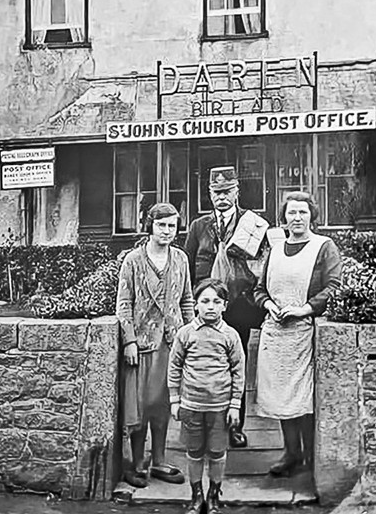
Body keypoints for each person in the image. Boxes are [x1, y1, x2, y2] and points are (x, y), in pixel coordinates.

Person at [254, 191, 342, 477]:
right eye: (291, 212)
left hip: (305, 331)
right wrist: (270, 305)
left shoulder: (323, 247)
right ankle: (291, 453)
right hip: (276, 333)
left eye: (302, 212)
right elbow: (259, 289)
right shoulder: (276, 249)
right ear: (284, 216)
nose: (297, 218)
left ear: (311, 215)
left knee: (304, 398)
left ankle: (312, 456)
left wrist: (304, 309)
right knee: (281, 396)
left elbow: (334, 286)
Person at [184, 166, 269, 446]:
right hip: (206, 309)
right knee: (205, 364)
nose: (221, 197)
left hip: (239, 307)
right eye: (216, 192)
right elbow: (187, 268)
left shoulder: (253, 224)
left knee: (236, 365)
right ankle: (206, 425)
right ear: (210, 194)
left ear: (236, 192)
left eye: (227, 191)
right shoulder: (199, 226)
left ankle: (235, 426)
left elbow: (263, 265)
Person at [116, 201, 195, 488]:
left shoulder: (181, 259)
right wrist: (129, 341)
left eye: (172, 225)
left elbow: (187, 300)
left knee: (163, 403)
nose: (167, 231)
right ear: (150, 226)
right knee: (140, 405)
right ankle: (138, 462)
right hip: (142, 345)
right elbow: (124, 304)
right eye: (161, 225)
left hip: (171, 343)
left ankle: (159, 460)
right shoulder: (133, 260)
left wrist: (191, 337)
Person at [168, 278, 245, 514]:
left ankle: (213, 495)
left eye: (216, 301)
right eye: (205, 301)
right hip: (191, 405)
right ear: (196, 305)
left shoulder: (230, 335)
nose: (211, 306)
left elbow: (238, 370)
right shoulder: (185, 334)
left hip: (220, 407)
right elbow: (174, 366)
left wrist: (235, 405)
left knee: (217, 452)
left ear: (225, 305)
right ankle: (196, 495)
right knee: (194, 451)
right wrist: (174, 399)